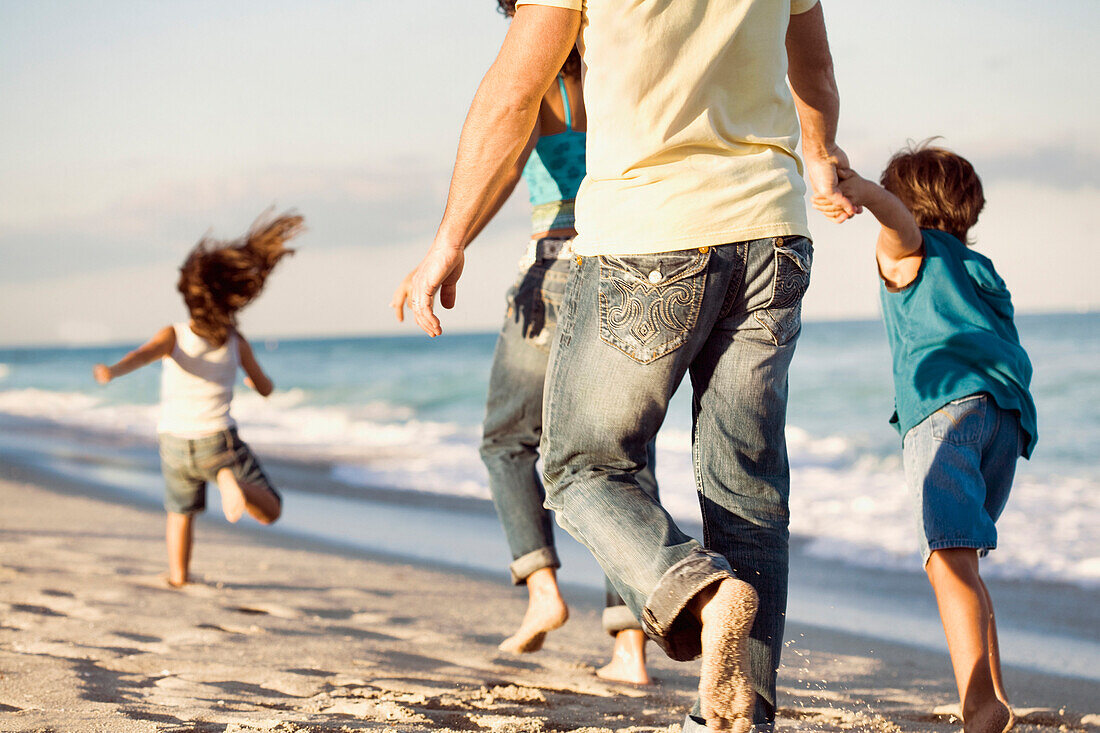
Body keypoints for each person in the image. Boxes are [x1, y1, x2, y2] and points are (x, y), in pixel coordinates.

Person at [402, 1, 852, 730]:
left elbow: (513, 95)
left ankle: (699, 594)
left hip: (651, 233)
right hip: (774, 231)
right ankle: (744, 718)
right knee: (749, 485)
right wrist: (822, 153)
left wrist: (449, 240)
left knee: (582, 465)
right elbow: (816, 70)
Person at [392, 0, 657, 685]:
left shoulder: (542, 87)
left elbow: (505, 162)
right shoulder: (625, 71)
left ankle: (542, 588)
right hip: (630, 266)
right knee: (621, 453)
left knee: (508, 436)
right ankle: (629, 648)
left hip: (557, 267)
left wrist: (447, 246)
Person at [813, 143, 1036, 733]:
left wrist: (861, 191)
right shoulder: (978, 268)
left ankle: (979, 703)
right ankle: (993, 692)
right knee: (964, 561)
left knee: (946, 559)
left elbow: (899, 225)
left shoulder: (913, 253)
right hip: (1005, 421)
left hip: (945, 414)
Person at [93, 212, 302, 588]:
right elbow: (265, 387)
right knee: (270, 509)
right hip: (216, 443)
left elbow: (142, 355)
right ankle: (230, 481)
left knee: (179, 512)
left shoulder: (173, 335)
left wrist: (113, 371)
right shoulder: (236, 343)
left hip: (174, 442)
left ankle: (178, 576)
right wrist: (259, 385)